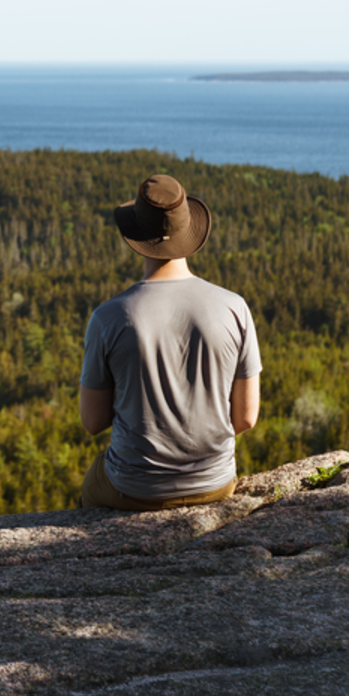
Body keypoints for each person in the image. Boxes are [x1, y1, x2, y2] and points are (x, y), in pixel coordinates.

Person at [78, 173, 261, 510]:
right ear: (189, 231)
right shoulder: (235, 307)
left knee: (91, 485)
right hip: (215, 484)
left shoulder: (108, 318)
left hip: (134, 487)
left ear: (135, 236)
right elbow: (246, 418)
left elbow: (92, 422)